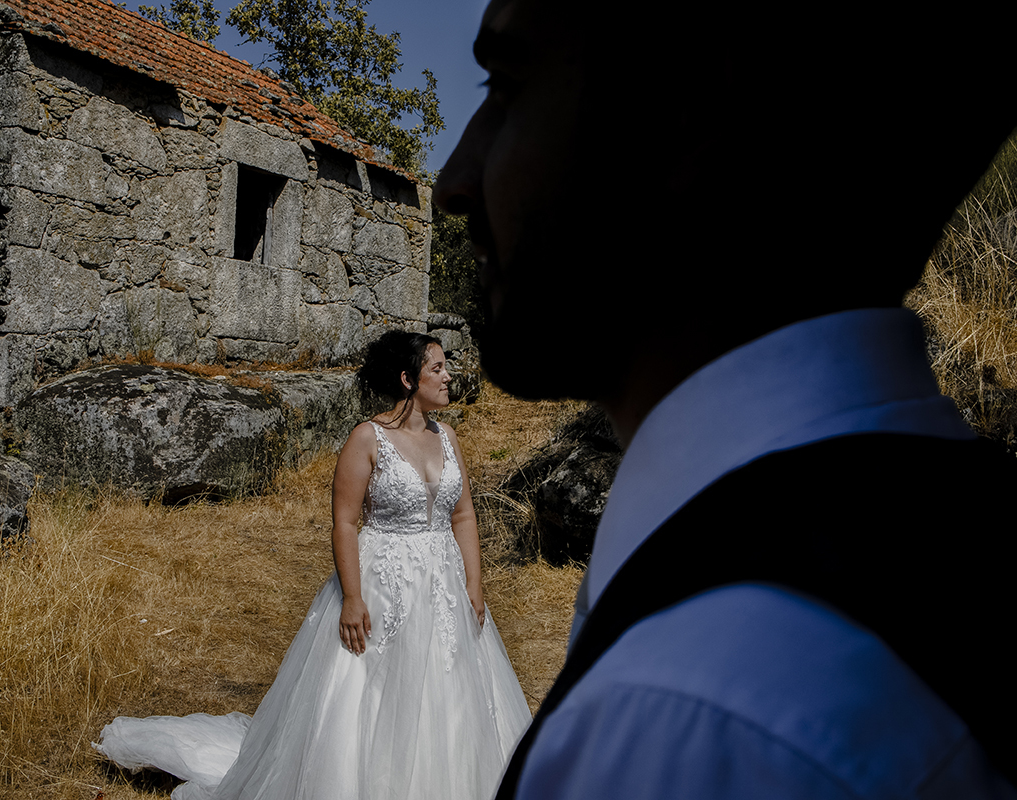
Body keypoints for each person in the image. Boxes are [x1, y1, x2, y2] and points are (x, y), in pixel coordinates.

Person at [433, 3, 1017, 798]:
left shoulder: (690, 721)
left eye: (504, 83)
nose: (454, 178)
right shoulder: (946, 536)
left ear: (687, 110)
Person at [94, 330, 531, 799]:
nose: (449, 377)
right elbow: (344, 523)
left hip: (445, 586)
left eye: (446, 368)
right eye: (437, 368)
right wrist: (352, 597)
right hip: (383, 580)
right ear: (408, 379)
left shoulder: (448, 438)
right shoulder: (368, 438)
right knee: (373, 694)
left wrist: (474, 583)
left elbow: (463, 514)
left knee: (452, 692)